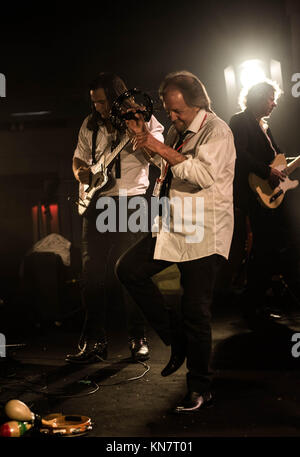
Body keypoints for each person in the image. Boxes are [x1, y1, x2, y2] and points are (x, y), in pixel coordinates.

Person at [116, 70, 236, 413]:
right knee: (128, 269)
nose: (171, 117)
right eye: (168, 111)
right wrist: (144, 140)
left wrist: (156, 144)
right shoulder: (176, 132)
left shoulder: (218, 131)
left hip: (204, 231)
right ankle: (175, 337)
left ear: (197, 104)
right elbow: (166, 165)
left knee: (196, 311)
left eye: (176, 111)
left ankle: (200, 387)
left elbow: (201, 175)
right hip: (172, 225)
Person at [66, 72, 164, 364]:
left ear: (117, 96)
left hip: (132, 202)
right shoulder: (90, 124)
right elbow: (78, 160)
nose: (98, 107)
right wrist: (84, 176)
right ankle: (95, 340)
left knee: (128, 273)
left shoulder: (143, 118)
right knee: (91, 274)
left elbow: (159, 160)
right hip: (97, 202)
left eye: (102, 101)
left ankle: (138, 338)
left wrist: (141, 137)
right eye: (94, 102)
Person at [229, 81, 299, 323]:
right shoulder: (239, 121)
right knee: (262, 249)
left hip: (269, 197)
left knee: (268, 248)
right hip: (252, 195)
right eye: (270, 98)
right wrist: (266, 171)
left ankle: (256, 302)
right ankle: (251, 304)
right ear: (257, 97)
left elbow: (277, 160)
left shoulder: (264, 127)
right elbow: (238, 153)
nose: (275, 103)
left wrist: (289, 164)